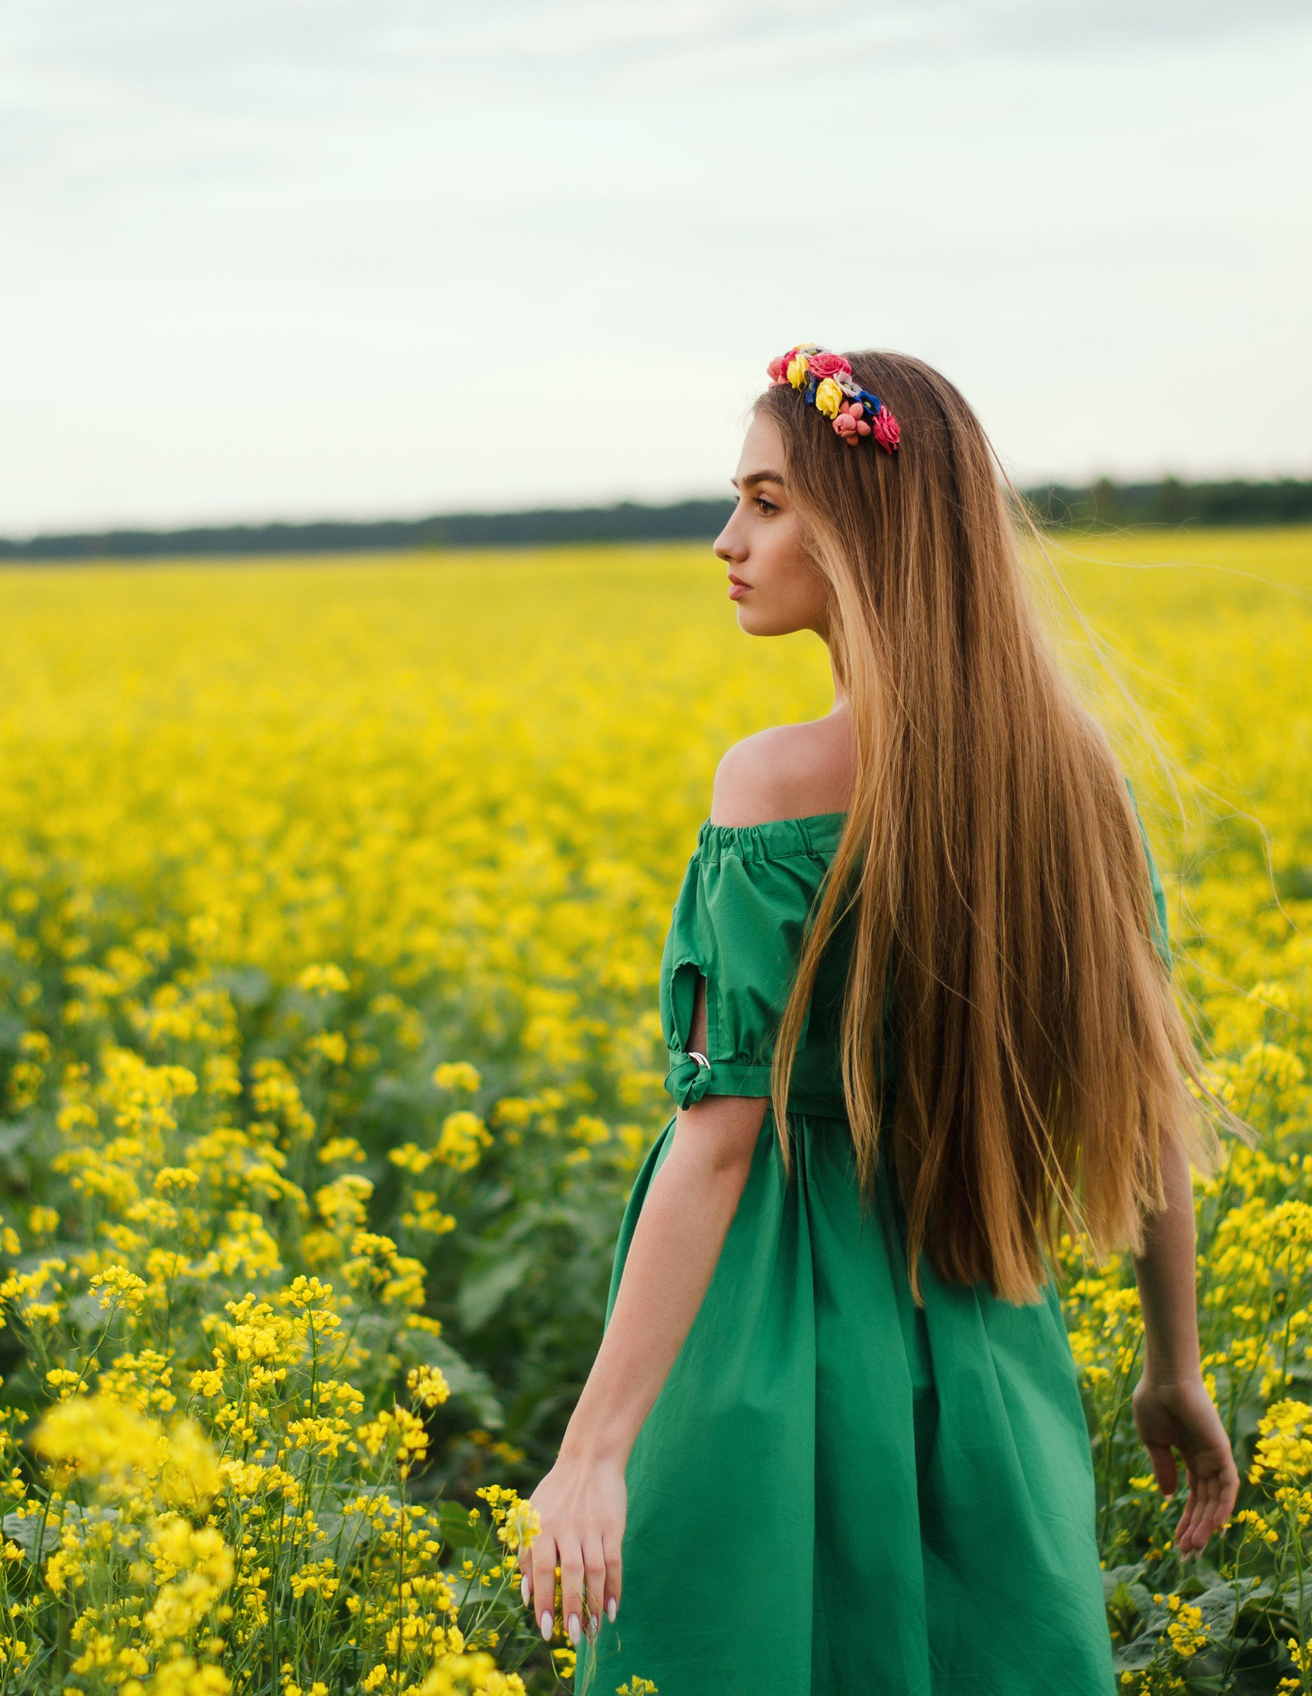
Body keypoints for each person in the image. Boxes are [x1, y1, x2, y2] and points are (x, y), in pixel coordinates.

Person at [515, 346, 1242, 1693]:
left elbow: (719, 1143)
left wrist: (594, 1447)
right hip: (986, 1347)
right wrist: (1171, 1367)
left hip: (763, 1342)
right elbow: (1147, 1107)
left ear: (867, 529)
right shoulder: (1081, 779)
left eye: (768, 501)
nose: (728, 540)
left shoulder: (774, 783)